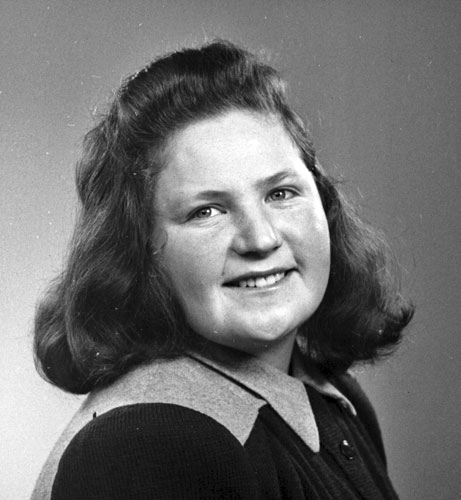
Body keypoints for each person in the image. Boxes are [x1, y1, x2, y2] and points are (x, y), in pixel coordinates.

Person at [31, 40, 414, 500]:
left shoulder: (335, 397)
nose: (261, 239)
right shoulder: (146, 447)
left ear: (324, 202)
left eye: (281, 193)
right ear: (140, 248)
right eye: (207, 212)